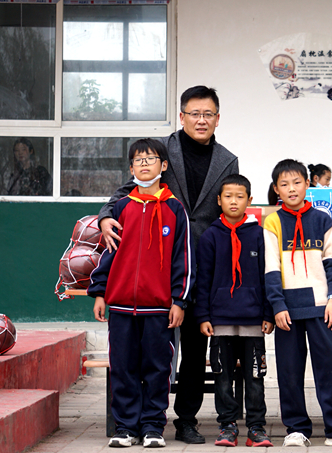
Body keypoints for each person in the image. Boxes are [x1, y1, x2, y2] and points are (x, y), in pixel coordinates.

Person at [99, 86, 239, 444]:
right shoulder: (161, 151)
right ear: (182, 116)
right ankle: (136, 421)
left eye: (208, 114)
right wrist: (105, 217)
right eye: (194, 113)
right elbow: (124, 192)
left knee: (194, 346)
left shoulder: (227, 160)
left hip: (203, 264)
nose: (201, 120)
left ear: (218, 118)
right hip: (159, 267)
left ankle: (186, 419)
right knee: (149, 351)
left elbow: (230, 205)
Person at [88, 138, 195, 448]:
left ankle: (152, 427)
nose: (145, 164)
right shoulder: (120, 208)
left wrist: (179, 300)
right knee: (122, 367)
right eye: (138, 159)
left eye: (151, 158)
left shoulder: (175, 209)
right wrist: (100, 292)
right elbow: (108, 253)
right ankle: (125, 427)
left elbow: (184, 259)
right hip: (121, 306)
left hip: (159, 309)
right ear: (131, 168)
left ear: (164, 165)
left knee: (158, 369)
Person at [263, 159, 332, 448]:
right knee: (289, 371)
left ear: (308, 184)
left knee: (330, 367)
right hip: (288, 310)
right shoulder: (273, 222)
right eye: (284, 184)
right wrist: (278, 305)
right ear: (276, 189)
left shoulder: (322, 219)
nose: (291, 189)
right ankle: (296, 428)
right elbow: (271, 269)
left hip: (322, 307)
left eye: (297, 182)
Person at [195, 174, 275, 448]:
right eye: (228, 196)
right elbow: (203, 280)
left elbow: (267, 277)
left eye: (240, 197)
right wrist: (203, 316)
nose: (233, 201)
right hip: (220, 321)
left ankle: (256, 428)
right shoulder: (210, 236)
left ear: (249, 200)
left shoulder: (259, 235)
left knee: (255, 377)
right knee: (223, 377)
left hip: (253, 321)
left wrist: (268, 314)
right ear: (218, 200)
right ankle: (227, 426)